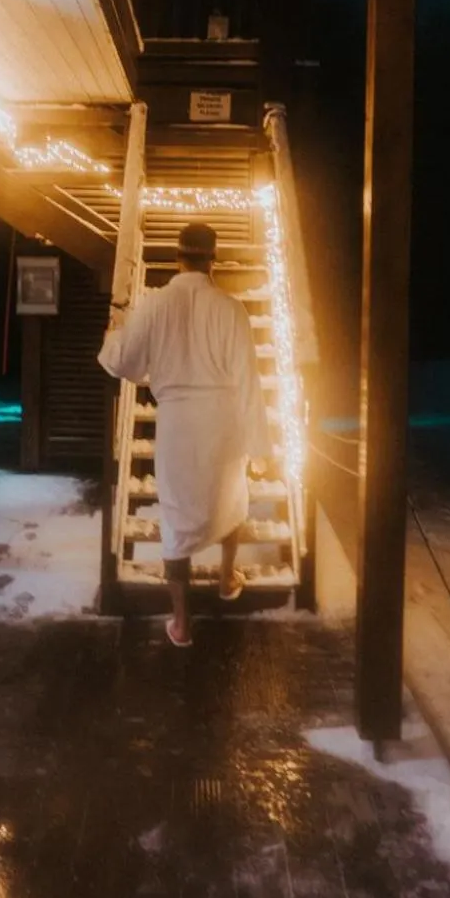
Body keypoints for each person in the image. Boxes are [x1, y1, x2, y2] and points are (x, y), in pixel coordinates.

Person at [99, 221, 272, 647]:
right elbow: (249, 382)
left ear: (178, 257)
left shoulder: (155, 305)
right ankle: (228, 579)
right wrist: (259, 447)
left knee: (177, 519)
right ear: (212, 260)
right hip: (224, 424)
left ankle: (181, 622)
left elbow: (122, 361)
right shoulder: (232, 309)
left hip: (177, 425)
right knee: (232, 501)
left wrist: (113, 331)